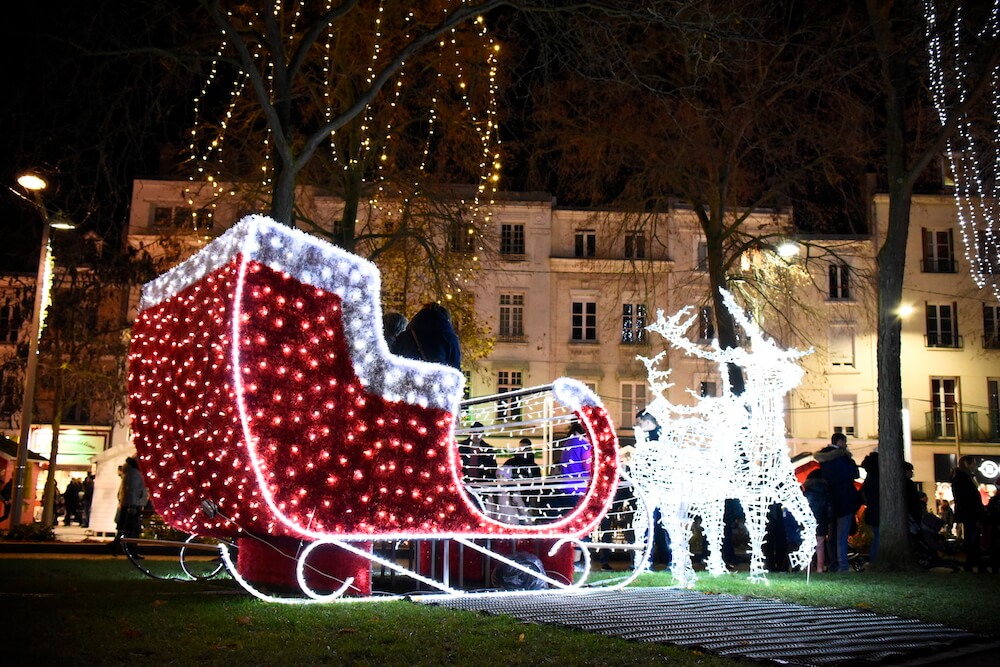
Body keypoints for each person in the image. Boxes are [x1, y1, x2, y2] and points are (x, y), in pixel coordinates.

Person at [816, 433, 861, 572]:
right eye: (845, 441)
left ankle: (833, 564)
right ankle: (843, 565)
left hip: (830, 502)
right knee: (841, 536)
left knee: (832, 536)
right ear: (840, 441)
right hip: (844, 501)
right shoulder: (843, 458)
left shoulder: (824, 459)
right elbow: (854, 474)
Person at [634, 409, 670, 569]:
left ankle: (645, 561)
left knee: (648, 524)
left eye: (640, 423)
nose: (638, 427)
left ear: (647, 422)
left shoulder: (652, 439)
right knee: (665, 525)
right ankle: (668, 560)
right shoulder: (664, 436)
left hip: (653, 487)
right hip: (663, 487)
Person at [391, 302, 461, 370]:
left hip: (409, 380)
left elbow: (393, 364)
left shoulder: (404, 337)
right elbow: (455, 370)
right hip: (437, 381)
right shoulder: (450, 339)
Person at [951, 455, 986, 572]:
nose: (975, 467)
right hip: (971, 513)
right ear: (967, 464)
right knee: (973, 538)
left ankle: (971, 564)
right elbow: (969, 499)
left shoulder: (961, 478)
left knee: (972, 538)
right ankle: (973, 564)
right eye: (973, 464)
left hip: (968, 513)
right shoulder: (963, 479)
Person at [803, 468, 831, 572]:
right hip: (821, 520)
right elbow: (829, 508)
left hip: (808, 522)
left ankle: (807, 566)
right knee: (820, 544)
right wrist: (829, 519)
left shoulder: (806, 493)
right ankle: (820, 568)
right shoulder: (825, 492)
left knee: (808, 544)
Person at [116, 457, 149, 543]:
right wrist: (133, 505)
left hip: (130, 505)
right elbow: (132, 491)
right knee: (131, 530)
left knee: (125, 529)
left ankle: (119, 546)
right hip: (133, 506)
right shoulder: (135, 474)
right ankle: (129, 548)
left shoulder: (130, 474)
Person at [860, 451, 880, 563]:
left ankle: (874, 559)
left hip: (872, 511)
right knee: (878, 536)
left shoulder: (869, 480)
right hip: (877, 511)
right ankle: (874, 559)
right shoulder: (876, 479)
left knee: (877, 535)